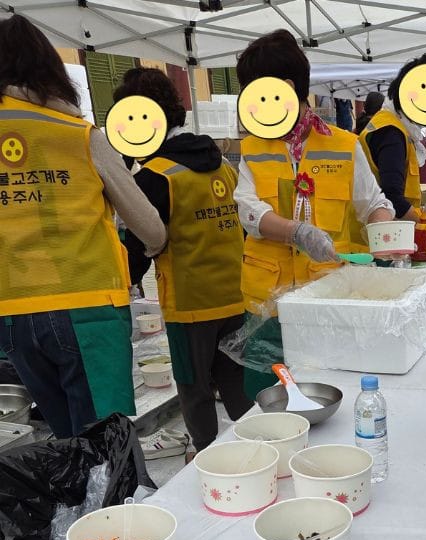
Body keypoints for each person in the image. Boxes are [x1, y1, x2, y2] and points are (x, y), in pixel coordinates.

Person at [0, 15, 167, 438]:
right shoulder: (79, 134)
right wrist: (154, 246)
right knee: (106, 442)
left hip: (12, 312)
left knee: (68, 441)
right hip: (87, 306)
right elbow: (149, 226)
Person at [234, 30, 394, 398]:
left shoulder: (344, 145)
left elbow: (374, 204)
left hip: (327, 300)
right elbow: (248, 210)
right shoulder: (252, 147)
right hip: (266, 306)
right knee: (268, 400)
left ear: (286, 88)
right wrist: (297, 232)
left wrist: (386, 238)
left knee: (329, 392)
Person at [113, 68, 252, 458]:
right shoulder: (222, 165)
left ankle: (207, 456)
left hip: (190, 306)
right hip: (235, 295)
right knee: (236, 380)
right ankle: (257, 446)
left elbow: (139, 242)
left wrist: (126, 282)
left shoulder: (156, 176)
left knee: (194, 388)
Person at [359, 54, 426, 221]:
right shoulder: (391, 133)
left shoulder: (391, 124)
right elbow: (392, 197)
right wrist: (425, 223)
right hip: (382, 227)